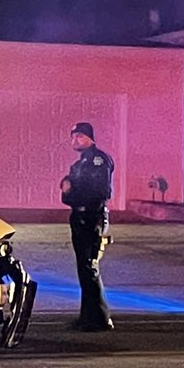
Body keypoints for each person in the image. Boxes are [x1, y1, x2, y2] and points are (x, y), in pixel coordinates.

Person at [60, 121, 115, 332]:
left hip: (92, 217)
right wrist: (69, 190)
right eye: (73, 136)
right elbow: (67, 195)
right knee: (84, 269)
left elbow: (100, 191)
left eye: (79, 136)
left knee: (90, 267)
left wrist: (72, 189)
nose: (75, 140)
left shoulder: (98, 160)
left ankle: (100, 318)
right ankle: (87, 316)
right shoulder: (79, 164)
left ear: (90, 138)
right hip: (79, 217)